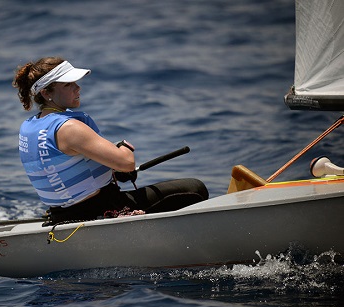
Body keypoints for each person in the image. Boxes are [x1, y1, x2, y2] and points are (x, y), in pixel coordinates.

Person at [13, 57, 208, 225]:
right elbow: (126, 163)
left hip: (61, 214)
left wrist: (111, 168)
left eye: (76, 82)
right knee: (195, 189)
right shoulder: (69, 128)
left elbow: (64, 165)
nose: (77, 88)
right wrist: (124, 148)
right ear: (46, 93)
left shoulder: (29, 127)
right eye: (68, 85)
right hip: (101, 210)